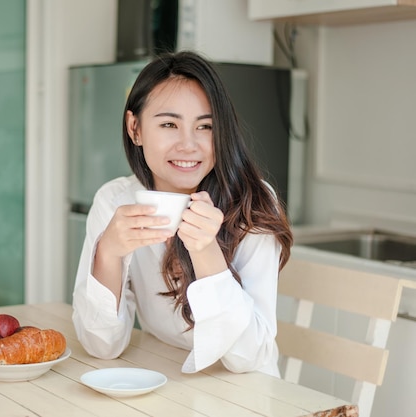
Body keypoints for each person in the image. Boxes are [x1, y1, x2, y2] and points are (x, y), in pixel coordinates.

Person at [71, 50, 293, 377]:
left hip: (244, 396)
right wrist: (108, 252)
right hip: (164, 383)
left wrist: (206, 253)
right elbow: (102, 346)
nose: (189, 145)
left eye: (205, 127)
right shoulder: (115, 202)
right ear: (135, 128)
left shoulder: (253, 204)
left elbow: (251, 359)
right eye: (169, 124)